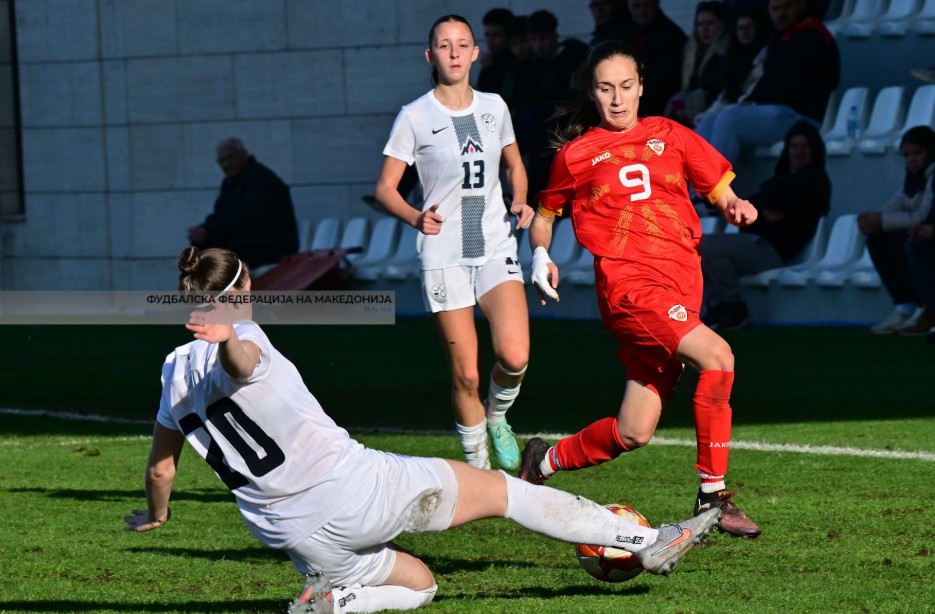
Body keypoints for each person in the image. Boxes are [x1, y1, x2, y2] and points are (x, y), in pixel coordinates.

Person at [123, 246, 722, 614]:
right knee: (505, 492)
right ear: (246, 286)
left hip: (293, 537)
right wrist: (230, 336)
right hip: (355, 490)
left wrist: (156, 514)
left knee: (421, 587)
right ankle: (644, 541)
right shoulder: (245, 337)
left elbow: (160, 468)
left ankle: (339, 602)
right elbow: (242, 365)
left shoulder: (171, 372)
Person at [521, 40, 761, 539]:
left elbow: (718, 188)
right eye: (606, 88)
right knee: (718, 357)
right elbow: (544, 217)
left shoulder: (671, 135)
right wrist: (540, 256)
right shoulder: (576, 155)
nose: (617, 99)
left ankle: (541, 462)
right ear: (593, 92)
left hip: (681, 287)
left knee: (634, 430)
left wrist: (735, 205)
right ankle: (713, 496)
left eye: (626, 87)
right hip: (631, 289)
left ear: (641, 88)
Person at [374, 15, 534, 472]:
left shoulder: (494, 106)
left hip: (493, 243)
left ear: (475, 53)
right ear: (431, 55)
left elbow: (514, 164)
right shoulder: (414, 116)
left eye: (462, 44)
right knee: (465, 375)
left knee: (514, 355)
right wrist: (415, 217)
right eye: (444, 46)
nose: (454, 53)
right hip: (444, 254)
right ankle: (479, 473)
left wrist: (520, 198)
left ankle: (497, 415)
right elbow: (385, 188)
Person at [700, 120, 831, 329]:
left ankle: (734, 306)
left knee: (707, 246)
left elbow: (768, 203)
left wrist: (761, 208)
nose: (799, 151)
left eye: (805, 146)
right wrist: (764, 210)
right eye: (794, 146)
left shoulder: (816, 181)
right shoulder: (778, 181)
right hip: (757, 243)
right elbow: (750, 209)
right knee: (693, 245)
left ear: (814, 149)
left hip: (774, 250)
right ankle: (716, 306)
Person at [695, 0, 839, 165]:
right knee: (709, 121)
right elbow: (771, 80)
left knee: (729, 120)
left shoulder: (812, 35)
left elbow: (795, 85)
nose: (781, 14)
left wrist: (756, 101)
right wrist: (753, 100)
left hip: (803, 114)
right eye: (775, 9)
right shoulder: (781, 36)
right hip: (779, 111)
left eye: (788, 6)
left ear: (801, 5)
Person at [857, 126, 935, 335]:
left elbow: (922, 216)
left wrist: (881, 220)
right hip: (922, 230)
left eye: (918, 153)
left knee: (909, 243)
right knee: (878, 239)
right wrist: (874, 220)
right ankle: (905, 306)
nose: (912, 160)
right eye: (907, 155)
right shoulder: (912, 178)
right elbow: (895, 204)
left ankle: (925, 307)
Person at [187, 138, 299, 269]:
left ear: (244, 155)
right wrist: (204, 229)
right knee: (199, 244)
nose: (227, 164)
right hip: (248, 241)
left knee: (223, 254)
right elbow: (221, 214)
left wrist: (208, 228)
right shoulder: (231, 182)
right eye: (222, 160)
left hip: (272, 244)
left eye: (231, 158)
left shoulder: (261, 179)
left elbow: (247, 218)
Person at [521, 9, 590, 198]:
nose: (539, 44)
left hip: (570, 136)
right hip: (541, 141)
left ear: (554, 36)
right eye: (534, 39)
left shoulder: (572, 59)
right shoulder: (531, 67)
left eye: (543, 38)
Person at [664, 1, 731, 127]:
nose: (704, 29)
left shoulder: (727, 51)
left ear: (722, 24)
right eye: (700, 24)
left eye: (710, 23)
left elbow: (716, 86)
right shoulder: (691, 51)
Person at [619, 0, 687, 117]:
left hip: (658, 109)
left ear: (656, 4)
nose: (642, 12)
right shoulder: (621, 33)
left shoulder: (672, 37)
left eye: (646, 5)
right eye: (636, 6)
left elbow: (666, 82)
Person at [475, 8, 516, 98]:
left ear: (509, 36)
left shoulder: (518, 62)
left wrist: (490, 70)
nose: (490, 40)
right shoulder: (489, 60)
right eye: (487, 35)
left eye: (496, 35)